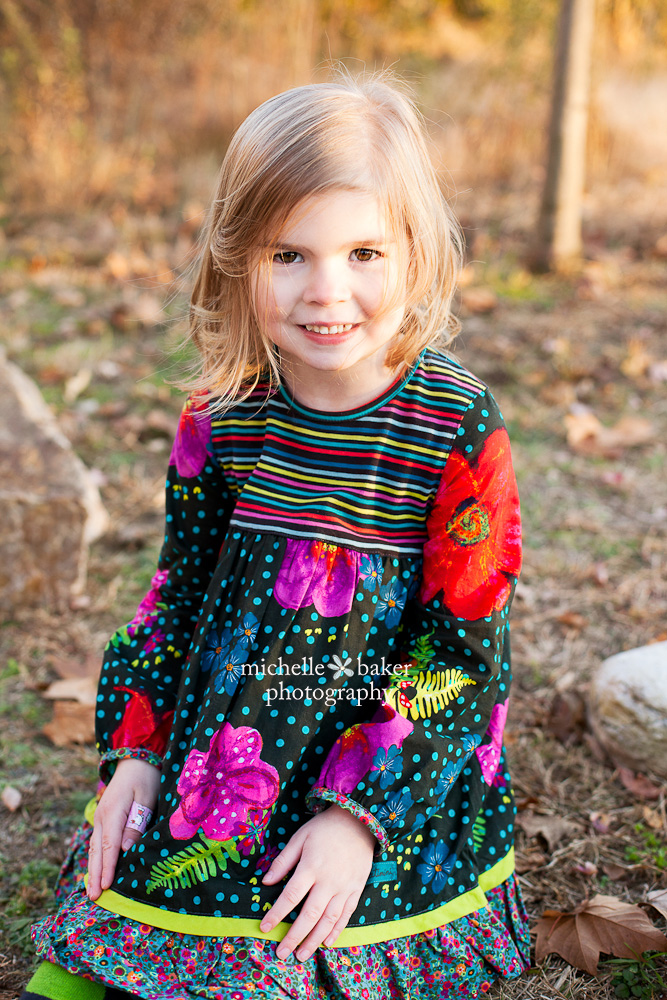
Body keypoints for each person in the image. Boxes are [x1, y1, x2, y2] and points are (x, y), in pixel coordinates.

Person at [24, 71, 530, 1000]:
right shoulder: (223, 418)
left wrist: (358, 817)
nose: (326, 292)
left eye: (365, 252)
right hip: (227, 756)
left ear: (414, 251)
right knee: (97, 934)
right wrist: (138, 749)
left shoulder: (453, 424)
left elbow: (462, 650)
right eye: (287, 255)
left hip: (379, 755)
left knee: (281, 949)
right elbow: (175, 594)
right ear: (234, 262)